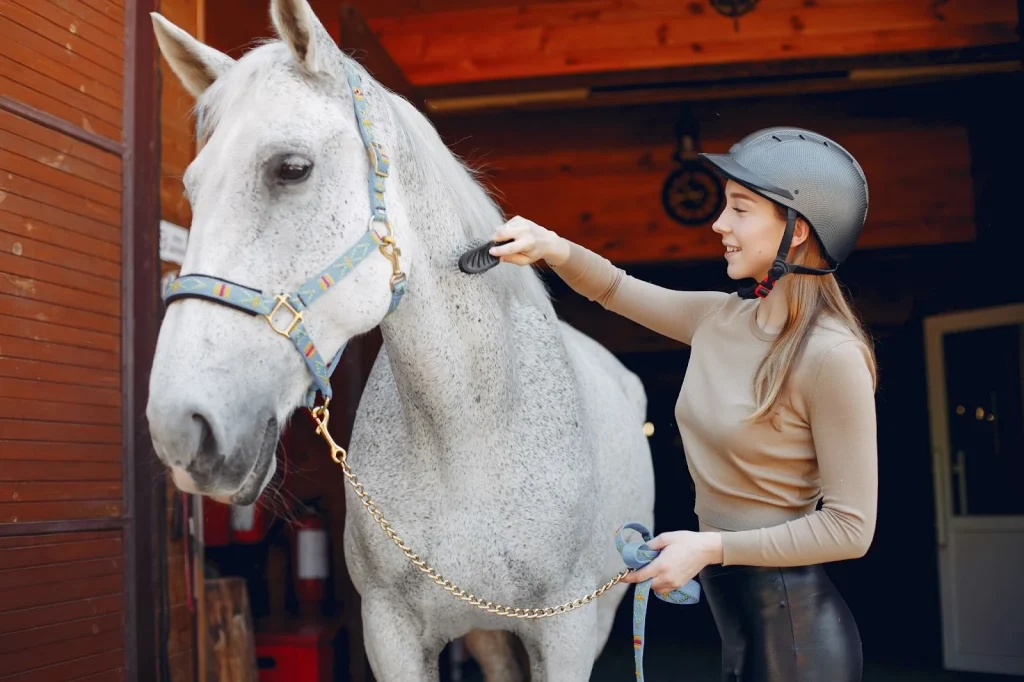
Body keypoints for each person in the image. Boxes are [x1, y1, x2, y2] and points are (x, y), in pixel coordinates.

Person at [488, 127, 877, 682]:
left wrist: (708, 548)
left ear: (797, 233)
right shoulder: (718, 318)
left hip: (797, 639)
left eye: (740, 209)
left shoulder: (832, 356)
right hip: (740, 624)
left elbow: (850, 529)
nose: (720, 224)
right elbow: (615, 289)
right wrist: (551, 246)